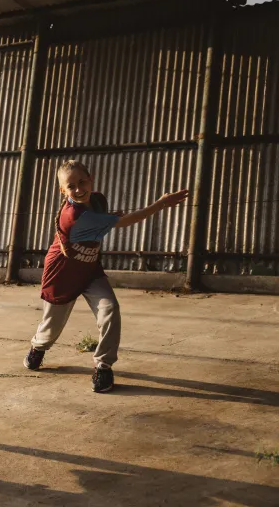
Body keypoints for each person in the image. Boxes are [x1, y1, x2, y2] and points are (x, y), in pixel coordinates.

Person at [23, 159, 188, 393]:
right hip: (62, 273)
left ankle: (103, 366)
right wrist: (161, 203)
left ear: (91, 180)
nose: (78, 189)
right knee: (52, 326)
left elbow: (103, 218)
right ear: (63, 191)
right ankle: (38, 348)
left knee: (110, 309)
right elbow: (126, 222)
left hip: (90, 269)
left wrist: (108, 217)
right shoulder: (73, 216)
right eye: (71, 186)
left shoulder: (98, 200)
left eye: (82, 182)